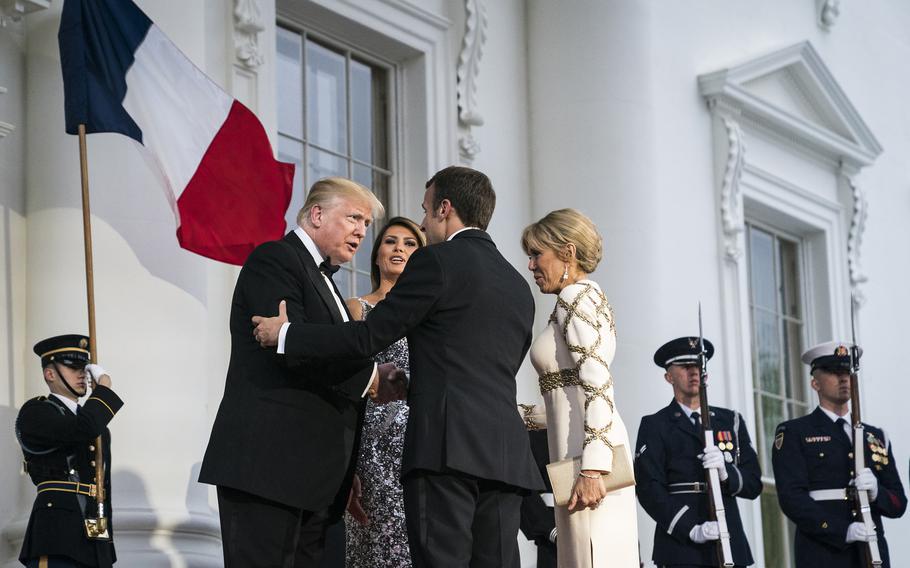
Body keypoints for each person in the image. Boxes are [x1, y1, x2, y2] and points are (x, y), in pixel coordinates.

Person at [252, 166, 544, 568]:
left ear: (445, 208)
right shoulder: (518, 285)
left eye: (425, 211)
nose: (423, 222)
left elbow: (367, 337)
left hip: (446, 450)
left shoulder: (436, 262)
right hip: (508, 456)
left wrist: (289, 334)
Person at [199, 177, 405, 567]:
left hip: (316, 480)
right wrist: (371, 378)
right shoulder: (275, 259)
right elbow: (290, 348)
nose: (362, 231)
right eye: (354, 218)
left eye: (365, 224)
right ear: (316, 214)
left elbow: (322, 348)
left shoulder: (326, 280)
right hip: (269, 469)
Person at [518, 208, 639, 567]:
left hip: (586, 459)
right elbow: (568, 397)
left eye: (537, 254)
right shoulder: (582, 299)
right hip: (576, 450)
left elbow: (598, 385)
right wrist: (517, 414)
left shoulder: (575, 298)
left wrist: (593, 470)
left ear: (568, 252)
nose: (531, 265)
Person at [772, 341, 907, 567]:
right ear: (815, 383)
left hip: (871, 553)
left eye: (847, 372)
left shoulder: (874, 436)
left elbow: (898, 504)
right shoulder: (795, 432)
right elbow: (792, 499)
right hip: (823, 552)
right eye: (835, 373)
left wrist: (877, 492)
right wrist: (841, 530)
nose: (844, 379)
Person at [635, 336, 761, 568]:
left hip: (728, 539)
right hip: (680, 546)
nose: (694, 372)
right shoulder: (656, 424)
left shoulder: (729, 421)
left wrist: (727, 473)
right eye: (685, 367)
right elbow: (648, 487)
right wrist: (690, 527)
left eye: (698, 367)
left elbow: (753, 483)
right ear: (669, 376)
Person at [344, 216, 425, 567]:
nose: (399, 249)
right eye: (391, 242)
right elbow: (346, 378)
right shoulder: (356, 308)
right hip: (371, 442)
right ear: (377, 255)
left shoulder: (431, 315)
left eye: (409, 244)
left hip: (419, 439)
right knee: (374, 544)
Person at [16, 334, 124, 568]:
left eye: (84, 369)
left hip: (94, 538)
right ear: (50, 373)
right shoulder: (36, 412)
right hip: (57, 536)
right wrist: (103, 390)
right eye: (72, 367)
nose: (81, 374)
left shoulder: (96, 426)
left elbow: (102, 487)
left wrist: (106, 547)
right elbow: (81, 428)